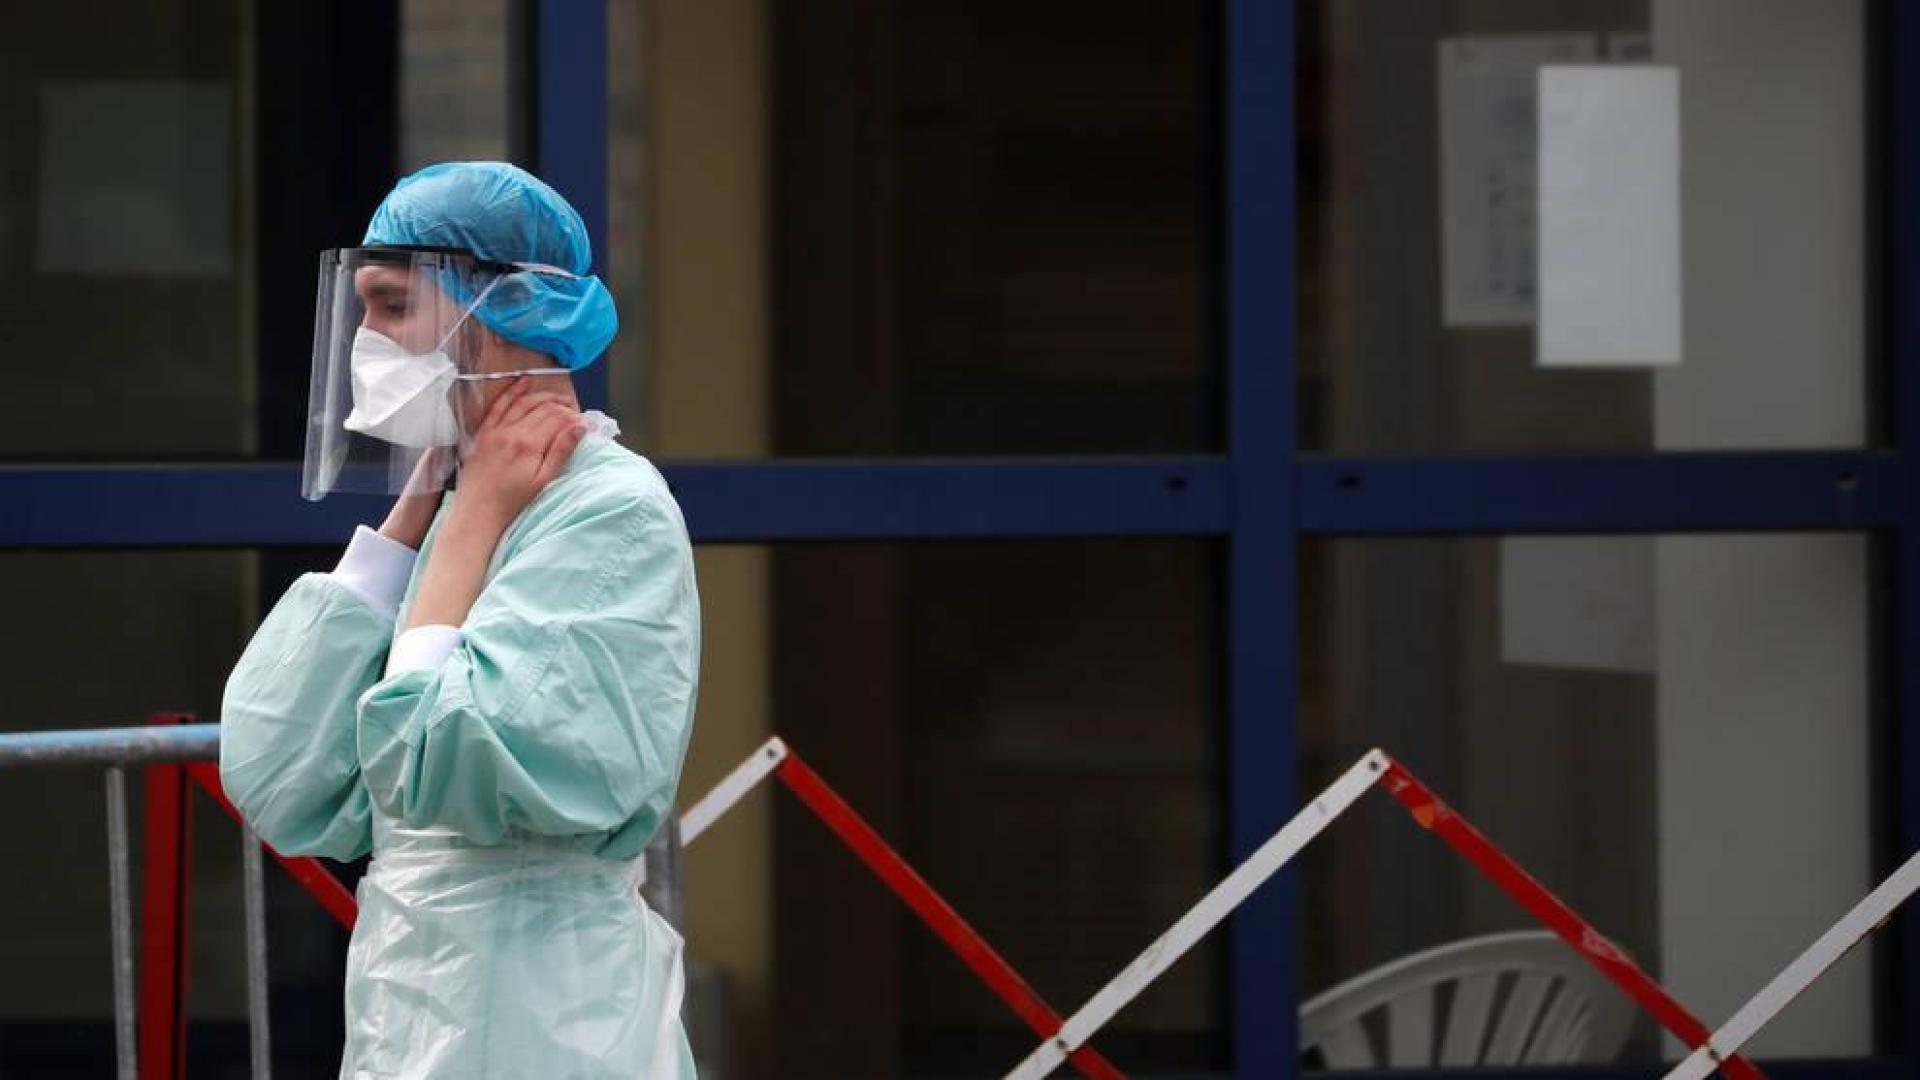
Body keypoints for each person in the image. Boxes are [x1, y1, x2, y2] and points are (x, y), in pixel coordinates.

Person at [219, 162, 701, 1079]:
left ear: (503, 308)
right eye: (361, 308)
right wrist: (413, 526)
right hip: (415, 1000)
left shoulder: (609, 514)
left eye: (394, 305)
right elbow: (280, 776)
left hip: (546, 1019)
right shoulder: (456, 505)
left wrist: (471, 523)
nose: (367, 339)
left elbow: (437, 753)